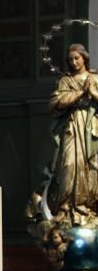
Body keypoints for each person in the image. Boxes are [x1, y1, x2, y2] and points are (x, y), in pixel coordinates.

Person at [43, 43, 98, 224]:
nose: (74, 62)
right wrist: (81, 92)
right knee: (69, 165)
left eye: (77, 58)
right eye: (71, 59)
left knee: (91, 168)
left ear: (84, 58)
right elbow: (56, 102)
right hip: (73, 127)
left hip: (91, 128)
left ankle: (89, 206)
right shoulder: (66, 81)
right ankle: (66, 206)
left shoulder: (94, 78)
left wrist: (93, 92)